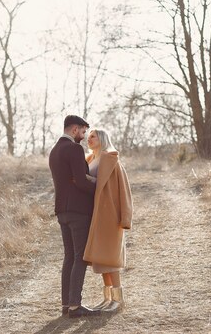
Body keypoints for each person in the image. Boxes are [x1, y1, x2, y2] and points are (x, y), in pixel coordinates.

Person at [48, 115, 101, 318]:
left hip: (62, 210)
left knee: (69, 257)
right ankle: (75, 306)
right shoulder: (74, 149)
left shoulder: (54, 151)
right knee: (80, 257)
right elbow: (80, 181)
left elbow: (70, 180)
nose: (84, 135)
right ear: (74, 130)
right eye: (82, 131)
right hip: (78, 211)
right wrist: (99, 188)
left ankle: (66, 305)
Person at [83, 128, 133, 312]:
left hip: (110, 215)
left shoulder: (111, 160)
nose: (89, 138)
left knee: (110, 258)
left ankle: (118, 300)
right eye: (88, 136)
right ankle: (107, 298)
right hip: (95, 214)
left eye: (93, 136)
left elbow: (124, 189)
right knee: (101, 258)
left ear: (102, 139)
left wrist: (125, 217)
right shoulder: (89, 159)